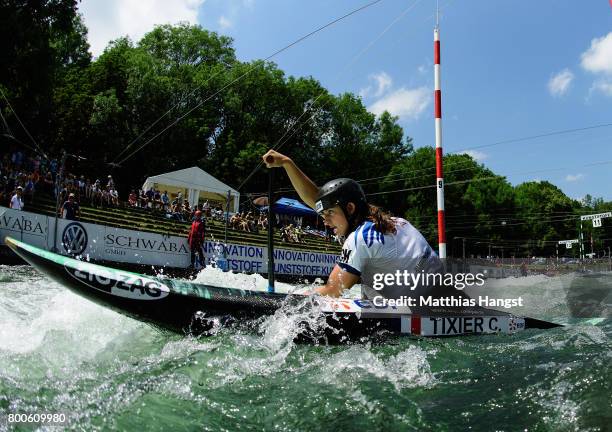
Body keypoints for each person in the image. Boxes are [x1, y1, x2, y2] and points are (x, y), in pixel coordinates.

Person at [262, 149, 450, 301]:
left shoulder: (360, 239)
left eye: (329, 214)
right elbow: (317, 200)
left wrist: (289, 300)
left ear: (350, 208)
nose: (324, 221)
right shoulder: (396, 223)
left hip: (421, 315)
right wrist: (287, 163)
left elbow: (333, 291)